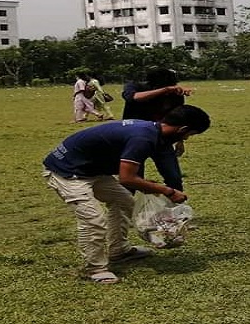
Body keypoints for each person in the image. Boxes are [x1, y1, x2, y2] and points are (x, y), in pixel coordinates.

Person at [42, 105, 211, 283]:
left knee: (124, 203)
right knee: (93, 220)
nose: (186, 138)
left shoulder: (152, 132)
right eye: (189, 134)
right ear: (182, 129)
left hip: (92, 170)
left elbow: (148, 174)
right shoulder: (143, 137)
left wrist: (156, 188)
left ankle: (119, 250)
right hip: (66, 171)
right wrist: (167, 191)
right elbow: (127, 178)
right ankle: (94, 269)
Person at [122, 67, 195, 184]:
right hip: (135, 137)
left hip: (162, 138)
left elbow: (177, 119)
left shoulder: (175, 94)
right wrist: (165, 90)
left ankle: (176, 200)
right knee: (134, 178)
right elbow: (133, 97)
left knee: (174, 177)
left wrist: (180, 141)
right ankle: (134, 201)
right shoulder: (135, 86)